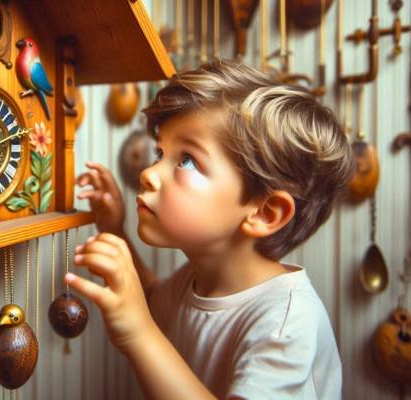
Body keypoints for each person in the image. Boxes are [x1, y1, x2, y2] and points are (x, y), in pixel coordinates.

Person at [66, 60, 354, 399]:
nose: (149, 172)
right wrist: (115, 230)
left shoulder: (287, 323)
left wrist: (139, 334)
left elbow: (144, 319)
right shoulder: (200, 276)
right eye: (161, 152)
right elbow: (154, 303)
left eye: (186, 160)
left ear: (264, 212)